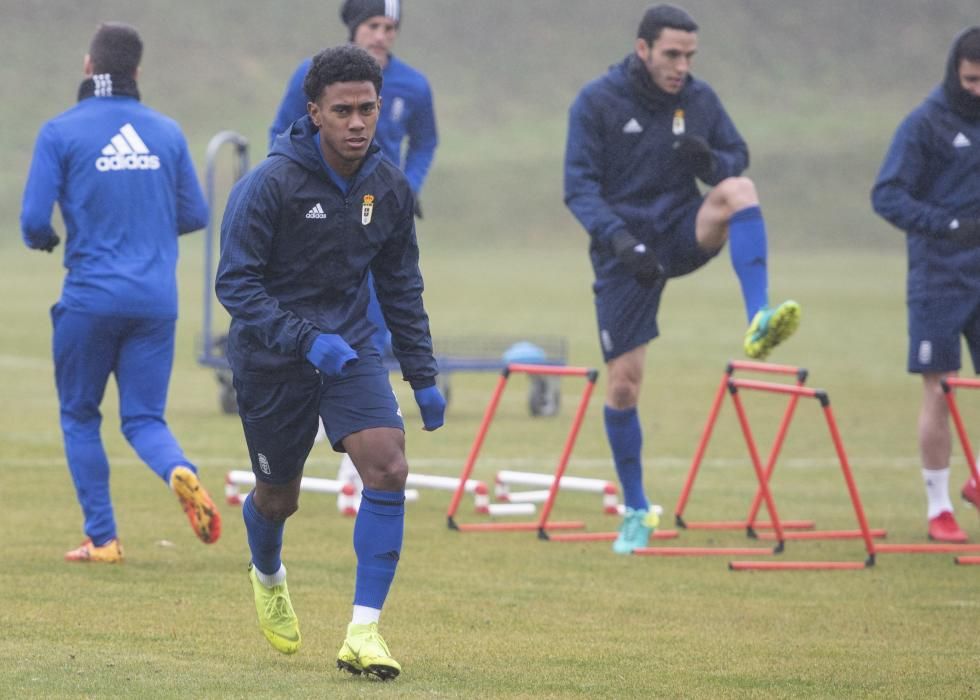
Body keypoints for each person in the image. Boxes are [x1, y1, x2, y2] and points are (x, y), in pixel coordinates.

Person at [216, 44, 445, 680]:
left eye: (367, 109)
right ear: (314, 112)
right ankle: (267, 572)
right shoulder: (269, 184)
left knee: (389, 465)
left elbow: (401, 285)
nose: (357, 122)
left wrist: (422, 376)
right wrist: (302, 338)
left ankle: (364, 634)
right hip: (272, 360)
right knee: (276, 498)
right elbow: (235, 285)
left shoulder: (387, 185)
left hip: (351, 351)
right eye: (342, 110)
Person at [563, 4, 801, 554]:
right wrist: (619, 240)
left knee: (740, 190)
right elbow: (578, 188)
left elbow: (735, 158)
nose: (681, 66)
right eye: (672, 54)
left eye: (689, 56)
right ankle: (637, 509)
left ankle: (758, 318)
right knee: (624, 383)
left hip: (680, 230)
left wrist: (710, 160)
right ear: (643, 49)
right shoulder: (597, 101)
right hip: (623, 247)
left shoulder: (699, 98)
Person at [19, 22, 222, 563]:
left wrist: (49, 240)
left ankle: (103, 539)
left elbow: (33, 221)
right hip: (156, 302)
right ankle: (179, 469)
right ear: (136, 72)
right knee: (144, 420)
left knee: (81, 415)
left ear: (89, 67)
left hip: (90, 299)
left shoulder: (60, 132)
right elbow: (196, 214)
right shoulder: (166, 132)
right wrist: (145, 227)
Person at [269, 0, 438, 357]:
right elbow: (281, 134)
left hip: (376, 209)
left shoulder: (414, 85)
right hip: (321, 206)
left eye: (389, 29)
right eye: (372, 26)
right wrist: (292, 191)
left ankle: (367, 381)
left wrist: (408, 186)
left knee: (379, 300)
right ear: (354, 27)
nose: (381, 36)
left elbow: (425, 142)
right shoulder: (312, 75)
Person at [871, 27, 980, 543]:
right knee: (941, 390)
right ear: (955, 74)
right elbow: (887, 195)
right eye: (972, 80)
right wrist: (949, 225)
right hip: (939, 275)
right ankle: (939, 508)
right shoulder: (925, 123)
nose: (978, 90)